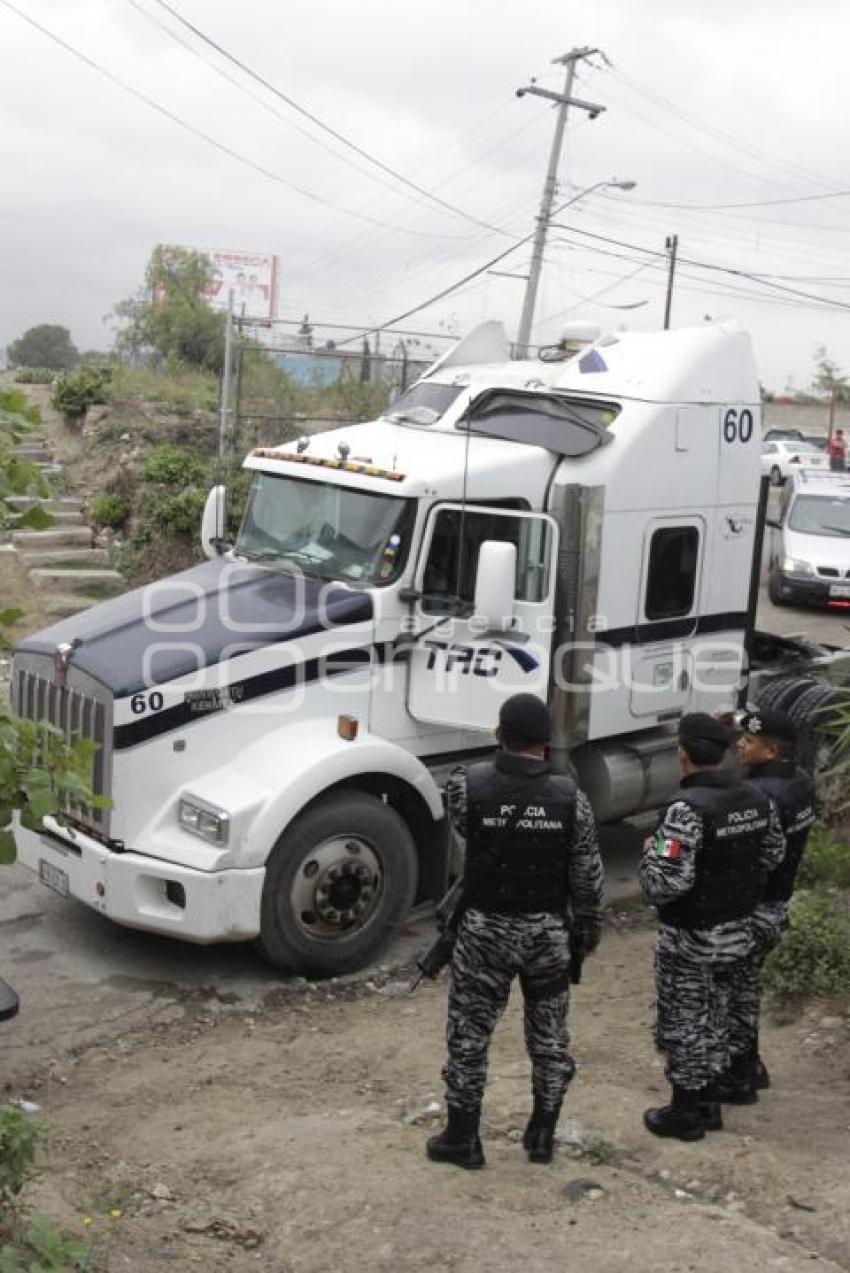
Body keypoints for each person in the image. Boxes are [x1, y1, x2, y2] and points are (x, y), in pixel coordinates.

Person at [426, 693, 605, 1170]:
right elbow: (587, 874)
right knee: (549, 1038)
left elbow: (467, 828)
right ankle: (542, 1134)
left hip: (484, 930)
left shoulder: (469, 785)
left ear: (499, 734)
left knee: (469, 1035)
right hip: (548, 933)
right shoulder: (572, 798)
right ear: (545, 744)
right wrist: (587, 926)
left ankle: (463, 1139)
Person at [638, 713, 785, 1142]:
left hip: (692, 935)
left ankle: (687, 1111)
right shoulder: (757, 798)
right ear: (723, 753)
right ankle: (711, 1103)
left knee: (685, 1020)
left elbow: (664, 882)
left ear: (682, 755)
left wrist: (651, 852)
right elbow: (773, 853)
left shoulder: (685, 810)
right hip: (739, 930)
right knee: (719, 1015)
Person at [715, 708, 816, 1103]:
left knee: (734, 993)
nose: (741, 745)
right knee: (744, 988)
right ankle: (748, 1065)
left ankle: (739, 1077)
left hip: (754, 908)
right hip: (777, 902)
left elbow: (753, 858)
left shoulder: (761, 797)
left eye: (750, 741)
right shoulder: (800, 782)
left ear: (772, 750)